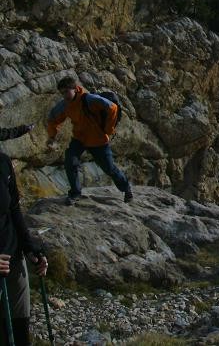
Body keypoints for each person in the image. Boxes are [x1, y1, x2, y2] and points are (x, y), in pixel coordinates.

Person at [46, 76, 133, 205]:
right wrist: (52, 136)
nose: (64, 95)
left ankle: (126, 189)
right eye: (62, 93)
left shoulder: (89, 99)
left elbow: (113, 108)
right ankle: (75, 193)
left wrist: (108, 130)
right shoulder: (66, 105)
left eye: (66, 91)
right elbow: (53, 119)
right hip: (79, 139)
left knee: (109, 168)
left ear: (75, 89)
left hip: (98, 140)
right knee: (70, 161)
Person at [0, 123, 47, 346]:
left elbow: (14, 209)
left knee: (20, 331)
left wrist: (30, 248)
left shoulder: (2, 162)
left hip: (12, 256)